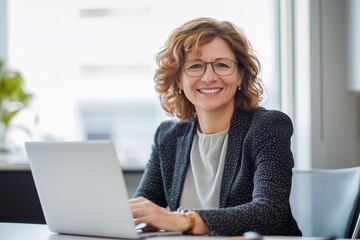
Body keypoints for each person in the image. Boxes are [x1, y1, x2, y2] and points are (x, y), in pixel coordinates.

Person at [129, 17, 302, 237]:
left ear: (240, 75)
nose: (209, 77)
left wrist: (184, 220)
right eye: (195, 66)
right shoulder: (168, 136)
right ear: (179, 80)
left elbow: (269, 213)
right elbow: (143, 209)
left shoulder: (268, 126)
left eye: (222, 65)